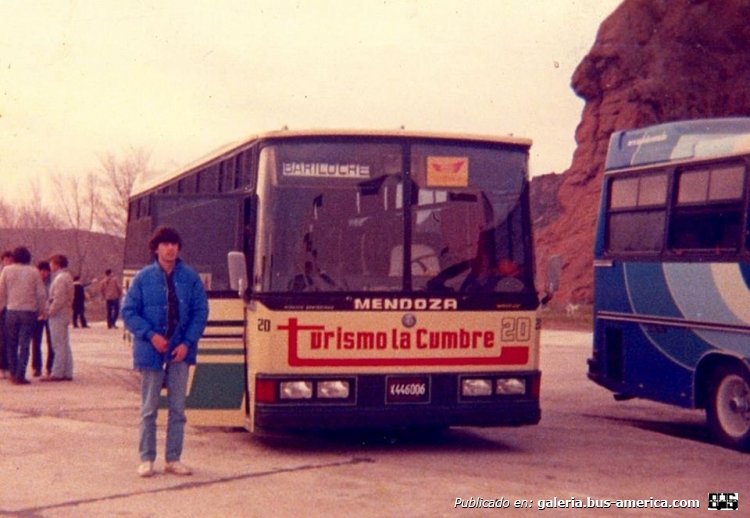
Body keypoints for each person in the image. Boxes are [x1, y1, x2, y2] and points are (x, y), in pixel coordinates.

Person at [122, 226, 208, 478]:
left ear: (179, 248)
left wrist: (187, 343)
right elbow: (128, 312)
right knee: (149, 408)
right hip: (150, 352)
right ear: (156, 248)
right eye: (165, 244)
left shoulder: (191, 278)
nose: (170, 248)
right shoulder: (142, 278)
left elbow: (200, 312)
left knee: (178, 409)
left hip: (180, 352)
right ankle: (146, 458)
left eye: (174, 244)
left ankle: (174, 458)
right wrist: (151, 335)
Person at [0, 247, 47, 385]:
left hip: (12, 311)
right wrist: (41, 310)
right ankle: (21, 375)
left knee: (11, 343)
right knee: (25, 344)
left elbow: (1, 292)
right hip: (29, 311)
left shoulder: (7, 271)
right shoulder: (33, 271)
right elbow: (40, 293)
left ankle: (13, 373)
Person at [43, 254, 75, 381]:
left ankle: (58, 372)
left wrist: (49, 312)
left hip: (59, 314)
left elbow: (59, 299)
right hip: (65, 313)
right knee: (64, 343)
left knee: (58, 344)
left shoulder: (60, 279)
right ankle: (67, 371)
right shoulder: (67, 277)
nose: (50, 266)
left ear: (57, 264)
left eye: (51, 263)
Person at [31, 261, 54, 377]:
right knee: (36, 342)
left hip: (50, 314)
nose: (44, 274)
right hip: (37, 315)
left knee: (51, 342)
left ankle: (50, 367)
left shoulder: (53, 283)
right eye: (42, 271)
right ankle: (36, 367)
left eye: (46, 271)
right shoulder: (34, 283)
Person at [0, 250, 14, 379]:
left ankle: (8, 366)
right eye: (6, 260)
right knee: (2, 340)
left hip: (11, 309)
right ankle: (2, 367)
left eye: (11, 260)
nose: (8, 262)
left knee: (9, 339)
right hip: (2, 309)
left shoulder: (14, 274)